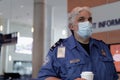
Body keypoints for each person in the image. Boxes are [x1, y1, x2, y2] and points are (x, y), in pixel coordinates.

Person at [37, 6, 118, 80]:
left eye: (89, 19)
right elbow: (44, 77)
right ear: (71, 26)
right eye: (81, 19)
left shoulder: (102, 47)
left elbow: (114, 76)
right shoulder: (58, 50)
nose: (87, 23)